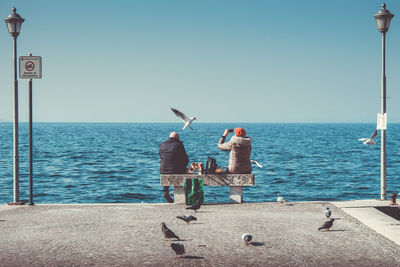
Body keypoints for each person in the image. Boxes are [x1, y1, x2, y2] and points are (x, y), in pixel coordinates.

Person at [159, 132, 189, 203]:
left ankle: (166, 191)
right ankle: (185, 194)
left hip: (163, 170)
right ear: (177, 138)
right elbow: (185, 159)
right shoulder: (179, 144)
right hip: (176, 170)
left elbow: (161, 157)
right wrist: (185, 168)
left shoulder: (162, 145)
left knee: (167, 170)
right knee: (183, 172)